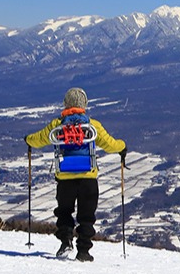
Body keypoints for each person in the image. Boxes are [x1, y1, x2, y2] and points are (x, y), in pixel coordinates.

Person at [25, 88, 127, 261]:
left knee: (64, 212)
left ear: (66, 103)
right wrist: (122, 146)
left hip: (65, 178)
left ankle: (66, 241)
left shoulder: (57, 125)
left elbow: (39, 139)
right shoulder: (92, 125)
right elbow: (109, 144)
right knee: (87, 216)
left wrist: (28, 139)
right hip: (88, 178)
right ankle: (84, 251)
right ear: (84, 104)